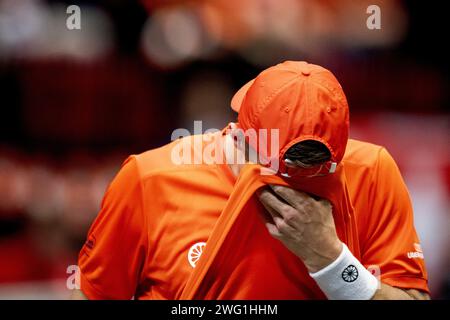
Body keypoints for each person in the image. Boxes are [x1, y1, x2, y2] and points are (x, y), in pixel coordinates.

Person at [72, 61, 429, 300]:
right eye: (278, 165)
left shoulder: (371, 171)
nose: (300, 182)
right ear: (241, 135)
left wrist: (331, 259)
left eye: (321, 169)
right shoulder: (150, 179)